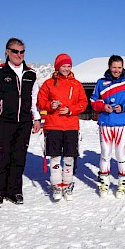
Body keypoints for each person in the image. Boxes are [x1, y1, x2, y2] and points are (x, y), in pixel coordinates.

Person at [0, 37, 41, 208]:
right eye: (15, 51)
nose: (19, 55)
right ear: (7, 52)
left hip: (24, 122)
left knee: (19, 157)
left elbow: (34, 98)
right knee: (2, 157)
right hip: (4, 122)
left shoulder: (31, 73)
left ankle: (14, 191)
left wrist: (36, 118)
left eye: (22, 52)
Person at [37, 53, 88, 201]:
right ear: (57, 67)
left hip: (71, 126)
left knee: (69, 158)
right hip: (53, 125)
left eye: (69, 66)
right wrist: (50, 105)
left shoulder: (76, 84)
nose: (66, 69)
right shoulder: (49, 83)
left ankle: (67, 184)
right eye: (63, 66)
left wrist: (71, 110)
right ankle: (56, 185)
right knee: (55, 157)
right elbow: (40, 101)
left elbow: (83, 103)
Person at [90, 55, 125, 198]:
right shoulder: (101, 82)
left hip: (122, 123)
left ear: (123, 67)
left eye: (119, 67)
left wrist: (123, 107)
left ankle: (122, 182)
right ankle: (104, 182)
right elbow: (93, 100)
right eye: (114, 67)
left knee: (120, 154)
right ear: (109, 67)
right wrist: (102, 106)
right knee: (105, 153)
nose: (116, 70)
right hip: (105, 122)